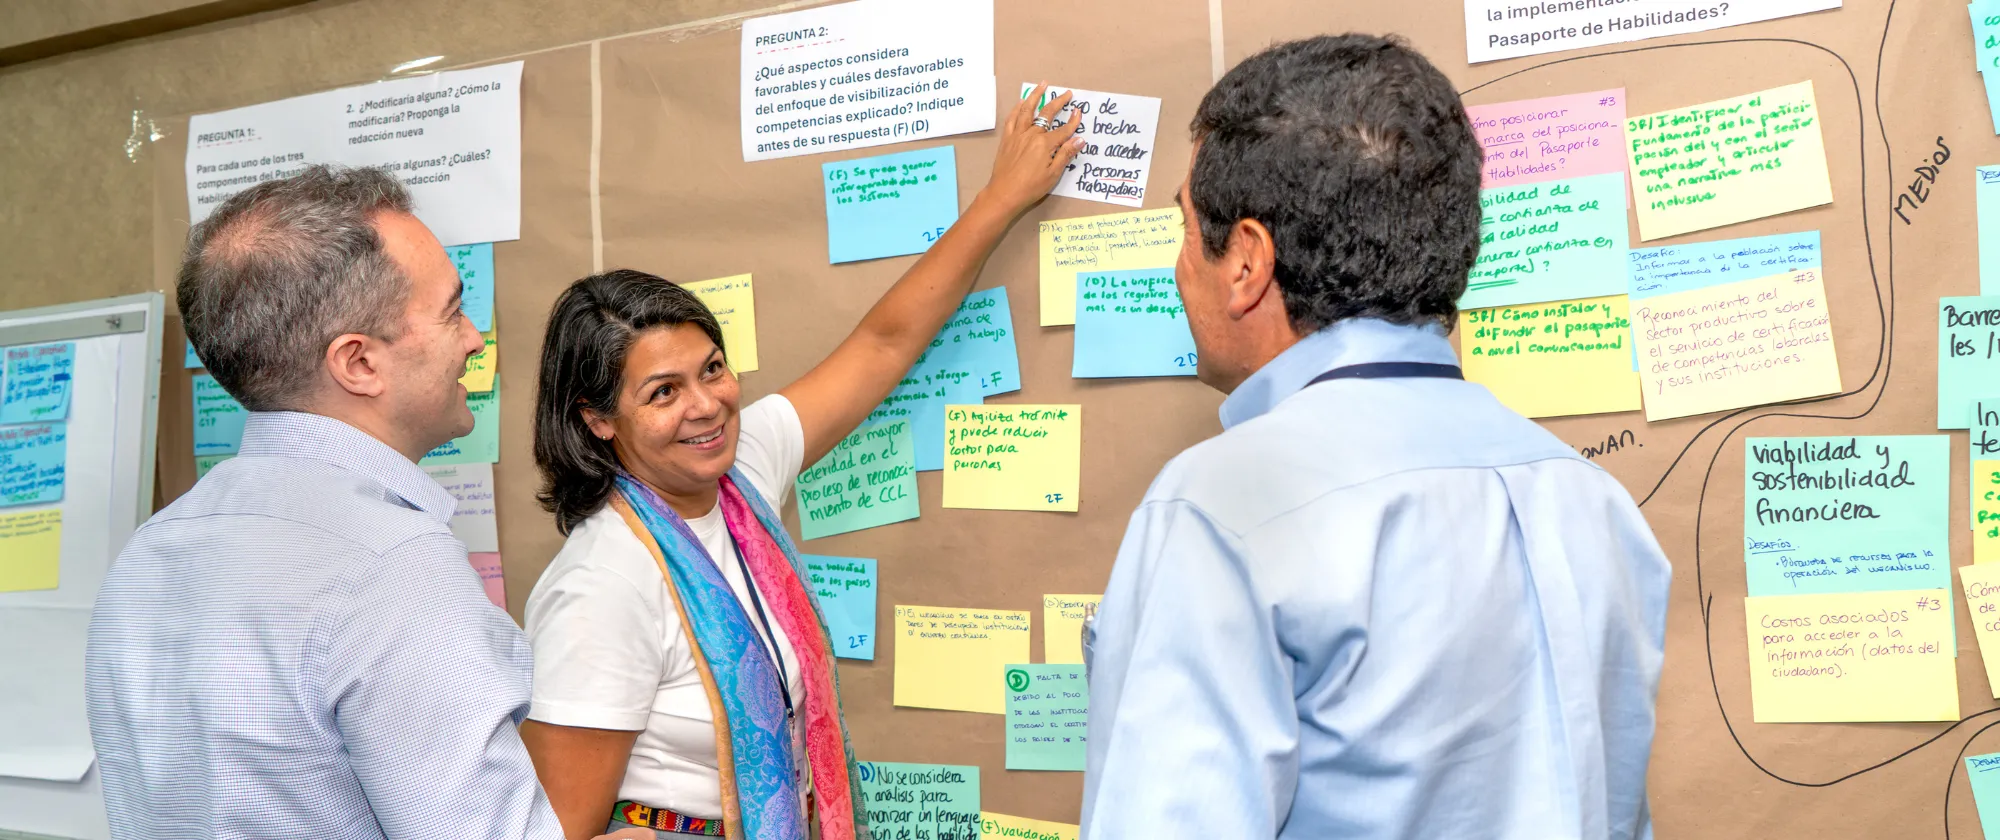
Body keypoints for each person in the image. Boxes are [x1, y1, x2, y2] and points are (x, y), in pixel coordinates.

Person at [1079, 35, 1672, 840]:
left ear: (1247, 261)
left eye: (1184, 231)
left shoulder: (1222, 510)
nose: (1180, 270)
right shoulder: (1591, 498)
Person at [519, 87, 1084, 840]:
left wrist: (1001, 198)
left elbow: (882, 343)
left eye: (711, 369)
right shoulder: (602, 583)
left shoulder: (740, 470)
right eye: (663, 392)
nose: (706, 406)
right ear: (597, 420)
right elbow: (555, 829)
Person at [84, 165, 564, 839]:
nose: (474, 339)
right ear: (359, 363)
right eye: (453, 310)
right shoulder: (394, 568)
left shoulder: (148, 554)